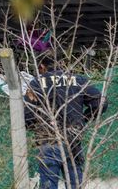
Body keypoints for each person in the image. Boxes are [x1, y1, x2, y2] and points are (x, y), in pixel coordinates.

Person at [24, 54, 106, 189]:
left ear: (42, 67)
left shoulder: (37, 83)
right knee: (75, 184)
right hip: (73, 141)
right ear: (64, 65)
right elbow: (101, 102)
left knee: (48, 185)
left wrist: (36, 127)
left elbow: (27, 114)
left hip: (48, 140)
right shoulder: (78, 80)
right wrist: (83, 120)